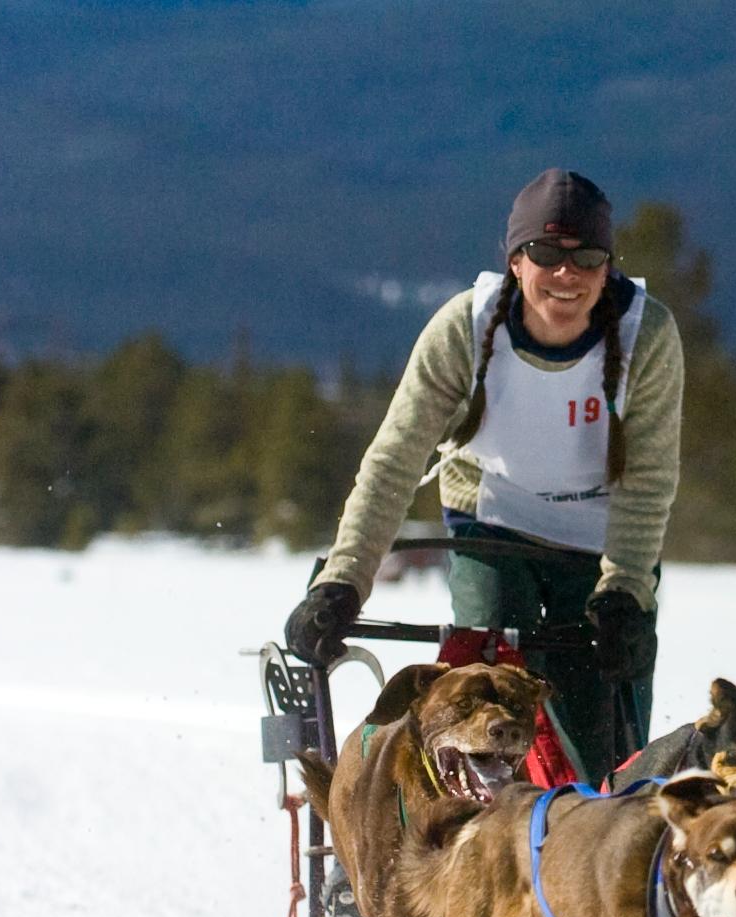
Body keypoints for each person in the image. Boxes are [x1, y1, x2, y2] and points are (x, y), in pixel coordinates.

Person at [284, 168, 683, 784]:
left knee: (603, 743)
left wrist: (626, 589)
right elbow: (394, 460)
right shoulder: (464, 331)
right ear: (516, 262)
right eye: (546, 254)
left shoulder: (646, 336)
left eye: (587, 257)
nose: (566, 275)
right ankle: (467, 820)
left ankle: (587, 840)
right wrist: (344, 581)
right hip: (493, 523)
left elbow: (649, 478)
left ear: (609, 267)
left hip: (601, 542)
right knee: (490, 695)